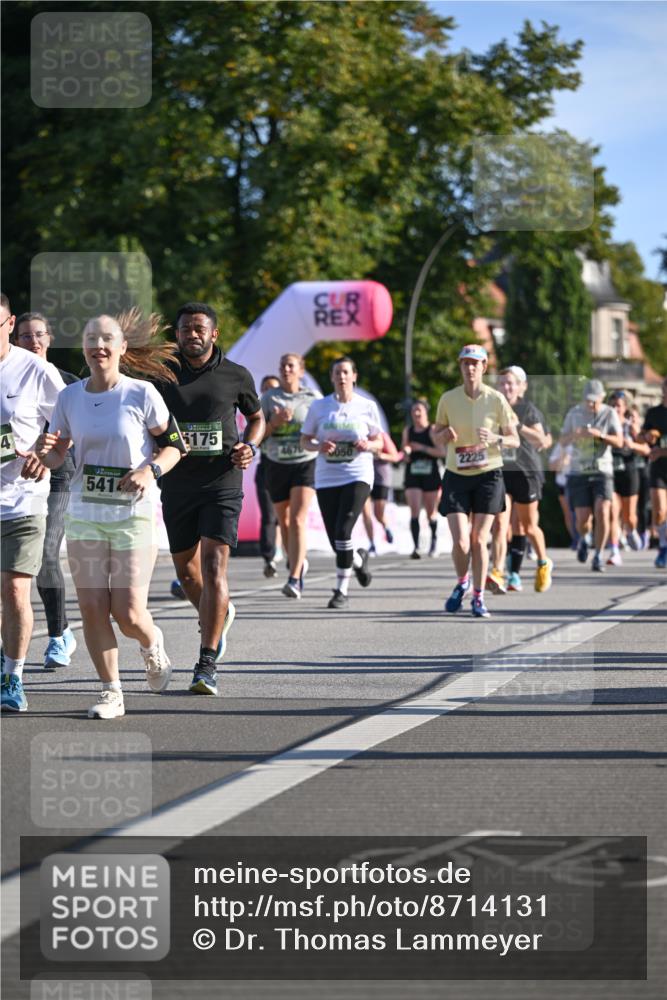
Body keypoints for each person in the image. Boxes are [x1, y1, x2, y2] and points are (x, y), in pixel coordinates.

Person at [33, 311, 185, 719]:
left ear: (121, 347)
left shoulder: (142, 393)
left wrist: (149, 471)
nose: (98, 346)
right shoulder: (69, 397)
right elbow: (57, 455)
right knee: (92, 608)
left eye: (106, 340)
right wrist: (47, 452)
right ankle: (111, 692)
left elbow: (175, 446)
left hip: (133, 514)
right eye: (91, 339)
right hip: (85, 513)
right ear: (83, 347)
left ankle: (151, 644)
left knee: (129, 612)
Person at [155, 302, 264, 694]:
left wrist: (250, 445)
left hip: (222, 481)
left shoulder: (236, 375)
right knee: (188, 575)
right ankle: (220, 612)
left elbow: (257, 417)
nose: (192, 334)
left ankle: (206, 663)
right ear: (177, 333)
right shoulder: (161, 375)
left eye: (199, 328)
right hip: (177, 484)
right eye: (185, 328)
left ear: (214, 333)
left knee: (215, 567)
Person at [1, 293, 66, 712]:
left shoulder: (35, 369)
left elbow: (68, 418)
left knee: (14, 589)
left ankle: (13, 677)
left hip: (22, 499)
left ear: (9, 325)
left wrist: (46, 453)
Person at [13, 312, 79, 669]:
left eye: (39, 334)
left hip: (58, 478)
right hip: (16, 479)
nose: (33, 341)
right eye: (25, 336)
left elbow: (80, 430)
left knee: (46, 554)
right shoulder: (9, 376)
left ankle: (58, 635)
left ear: (50, 338)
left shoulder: (69, 384)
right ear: (15, 340)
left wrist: (50, 452)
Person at [433, 344, 519, 618]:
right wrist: (444, 435)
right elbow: (436, 434)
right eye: (465, 363)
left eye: (475, 363)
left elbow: (515, 439)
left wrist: (496, 438)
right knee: (461, 542)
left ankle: (479, 597)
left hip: (488, 474)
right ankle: (463, 582)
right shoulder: (448, 399)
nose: (470, 368)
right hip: (456, 475)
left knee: (479, 540)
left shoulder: (496, 399)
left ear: (484, 367)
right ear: (460, 367)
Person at [300, 356, 382, 609]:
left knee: (344, 531)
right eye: (337, 372)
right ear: (332, 377)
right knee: (336, 538)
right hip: (327, 477)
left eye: (346, 372)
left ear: (354, 376)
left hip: (358, 474)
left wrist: (368, 444)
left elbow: (380, 442)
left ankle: (341, 590)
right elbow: (305, 440)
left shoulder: (366, 406)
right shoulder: (319, 407)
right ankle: (357, 560)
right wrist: (319, 446)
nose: (342, 376)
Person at [260, 354, 320, 598]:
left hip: (305, 463)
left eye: (291, 365)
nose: (286, 369)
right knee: (283, 521)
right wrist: (274, 423)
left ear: (300, 371)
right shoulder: (268, 398)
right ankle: (297, 560)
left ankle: (295, 578)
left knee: (297, 519)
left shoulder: (312, 398)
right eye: (282, 365)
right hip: (276, 464)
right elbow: (257, 435)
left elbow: (323, 429)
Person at [489, 366, 553, 594]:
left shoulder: (528, 410)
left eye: (510, 383)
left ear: (520, 387)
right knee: (500, 524)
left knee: (527, 526)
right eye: (502, 383)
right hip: (501, 472)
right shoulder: (492, 409)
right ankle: (498, 573)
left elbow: (542, 440)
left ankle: (543, 563)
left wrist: (517, 426)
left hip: (526, 473)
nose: (506, 387)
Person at [560, 379, 623, 572]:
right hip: (579, 470)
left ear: (602, 398)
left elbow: (620, 441)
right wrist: (576, 435)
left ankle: (599, 555)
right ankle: (584, 538)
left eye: (594, 400)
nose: (591, 404)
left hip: (603, 469)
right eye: (588, 400)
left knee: (603, 511)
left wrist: (600, 435)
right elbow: (562, 440)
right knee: (582, 520)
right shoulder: (574, 413)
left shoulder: (609, 413)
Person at [607, 391, 649, 564]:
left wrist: (632, 443)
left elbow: (646, 450)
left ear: (625, 408)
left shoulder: (630, 426)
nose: (616, 409)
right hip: (610, 472)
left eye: (619, 406)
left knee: (629, 516)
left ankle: (631, 530)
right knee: (612, 512)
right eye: (613, 405)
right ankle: (614, 550)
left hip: (629, 472)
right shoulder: (605, 426)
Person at [401, 400, 446, 559]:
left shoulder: (432, 430)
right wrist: (406, 452)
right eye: (414, 410)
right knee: (414, 510)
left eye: (419, 410)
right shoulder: (408, 430)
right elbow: (404, 450)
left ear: (426, 412)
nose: (416, 413)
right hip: (413, 474)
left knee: (430, 512)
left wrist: (422, 448)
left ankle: (434, 543)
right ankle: (416, 547)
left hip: (430, 474)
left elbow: (442, 452)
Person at [256, 375, 282, 577]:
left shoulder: (291, 411)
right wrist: (272, 424)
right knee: (269, 515)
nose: (269, 392)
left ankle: (286, 551)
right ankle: (269, 557)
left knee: (285, 516)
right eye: (265, 388)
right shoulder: (257, 414)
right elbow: (254, 440)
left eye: (273, 388)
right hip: (266, 468)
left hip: (290, 469)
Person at [640, 375, 667, 568]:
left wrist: (662, 451)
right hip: (658, 468)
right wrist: (646, 436)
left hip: (660, 457)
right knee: (659, 511)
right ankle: (663, 546)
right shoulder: (653, 413)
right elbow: (642, 436)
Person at [362, 430, 400, 554]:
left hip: (380, 478)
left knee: (378, 514)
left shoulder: (381, 435)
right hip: (363, 478)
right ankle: (372, 543)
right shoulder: (358, 435)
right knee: (366, 513)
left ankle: (386, 527)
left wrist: (380, 455)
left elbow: (395, 456)